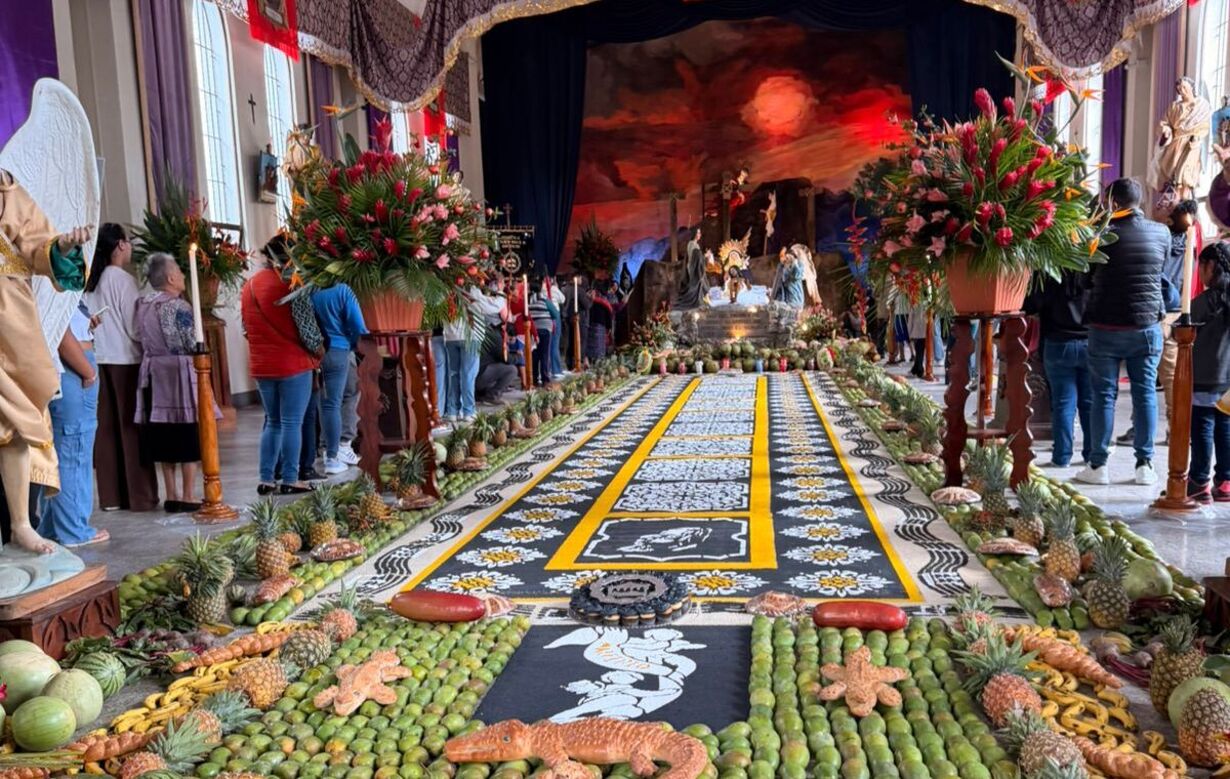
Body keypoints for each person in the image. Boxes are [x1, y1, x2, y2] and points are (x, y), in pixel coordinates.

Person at [1076, 178, 1169, 486]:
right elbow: (1159, 273)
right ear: (1139, 202)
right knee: (1145, 395)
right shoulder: (1161, 232)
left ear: (1111, 202)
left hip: (1105, 326)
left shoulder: (1100, 235)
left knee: (1104, 395)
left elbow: (1085, 280)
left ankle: (1098, 465)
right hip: (1145, 326)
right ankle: (1145, 464)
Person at [83, 223, 159, 511]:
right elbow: (134, 326)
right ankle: (140, 496)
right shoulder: (121, 279)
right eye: (128, 241)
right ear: (121, 245)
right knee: (131, 428)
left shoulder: (93, 278)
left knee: (106, 430)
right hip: (126, 361)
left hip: (99, 359)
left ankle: (112, 497)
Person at [135, 253, 215, 511]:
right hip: (178, 372)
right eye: (180, 270)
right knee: (187, 432)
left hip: (153, 374)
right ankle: (188, 494)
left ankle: (171, 493)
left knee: (164, 435)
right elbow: (192, 341)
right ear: (170, 278)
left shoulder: (143, 303)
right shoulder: (178, 306)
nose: (182, 275)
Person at [241, 240, 321, 496]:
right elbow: (308, 331)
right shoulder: (292, 284)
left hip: (263, 365)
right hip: (293, 364)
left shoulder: (249, 285)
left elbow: (246, 328)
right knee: (291, 422)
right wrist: (320, 351)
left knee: (272, 422)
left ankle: (266, 478)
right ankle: (290, 478)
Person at [39, 303, 107, 546]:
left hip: (72, 364)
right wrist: (87, 371)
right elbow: (57, 327)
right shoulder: (55, 278)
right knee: (73, 449)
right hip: (73, 367)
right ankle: (74, 530)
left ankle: (53, 526)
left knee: (64, 450)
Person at [1024, 271, 1092, 467]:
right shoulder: (1093, 268)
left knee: (1063, 403)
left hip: (1058, 343)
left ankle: (1062, 457)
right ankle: (1091, 455)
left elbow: (1030, 305)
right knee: (1089, 403)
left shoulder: (1050, 272)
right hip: (1090, 342)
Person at [1187, 242, 1230, 502]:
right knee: (1225, 426)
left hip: (1205, 375)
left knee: (1202, 426)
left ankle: (1199, 481)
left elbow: (1183, 332)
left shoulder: (1204, 302)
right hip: (1228, 378)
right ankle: (1225, 481)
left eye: (1200, 266)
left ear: (1210, 266)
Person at [311, 281, 367, 474]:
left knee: (325, 401)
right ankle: (340, 448)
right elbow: (358, 326)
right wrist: (355, 344)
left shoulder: (310, 289)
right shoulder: (343, 290)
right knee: (348, 394)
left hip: (317, 352)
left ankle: (327, 447)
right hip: (340, 348)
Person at [443, 285, 504, 420]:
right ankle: (468, 411)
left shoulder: (446, 289)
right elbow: (494, 306)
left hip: (450, 336)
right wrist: (500, 291)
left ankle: (453, 411)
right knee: (468, 375)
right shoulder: (472, 291)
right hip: (470, 336)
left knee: (453, 374)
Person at [527, 276, 554, 386]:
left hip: (533, 330)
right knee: (545, 354)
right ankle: (545, 379)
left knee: (534, 354)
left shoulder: (527, 299)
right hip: (545, 328)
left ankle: (533, 379)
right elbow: (555, 313)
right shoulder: (544, 299)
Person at [674, 227, 708, 309]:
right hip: (693, 268)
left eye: (700, 233)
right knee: (697, 284)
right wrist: (705, 256)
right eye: (698, 233)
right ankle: (696, 300)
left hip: (696, 267)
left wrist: (703, 256)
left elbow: (698, 257)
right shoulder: (691, 244)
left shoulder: (696, 244)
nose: (699, 235)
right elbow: (696, 257)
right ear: (695, 234)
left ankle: (702, 299)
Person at [547, 276, 566, 379]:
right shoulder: (553, 288)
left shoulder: (542, 289)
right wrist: (556, 287)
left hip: (545, 317)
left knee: (548, 344)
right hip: (554, 316)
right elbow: (563, 299)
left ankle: (548, 369)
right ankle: (556, 369)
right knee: (555, 343)